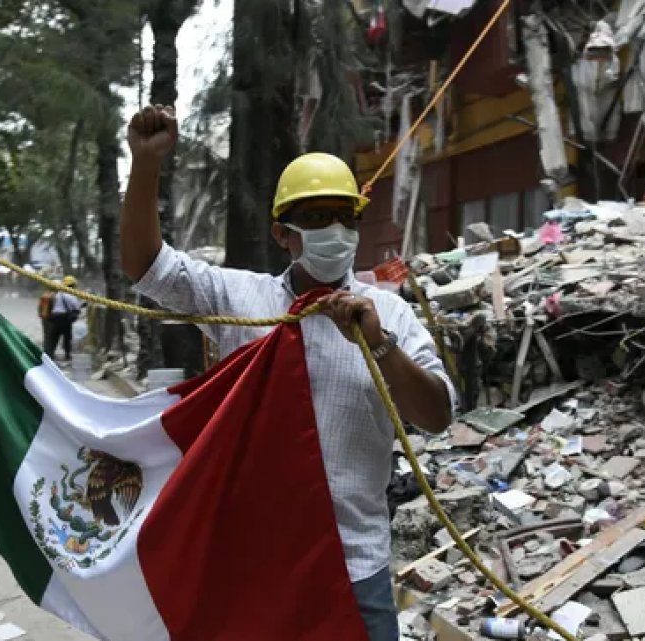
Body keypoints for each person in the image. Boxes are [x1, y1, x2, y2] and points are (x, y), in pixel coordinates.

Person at [121, 105, 457, 641]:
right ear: (283, 234)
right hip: (260, 571)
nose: (336, 231)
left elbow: (438, 415)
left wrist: (381, 345)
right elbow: (146, 264)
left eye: (345, 217)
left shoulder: (389, 313)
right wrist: (145, 165)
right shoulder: (243, 301)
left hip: (355, 570)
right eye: (317, 218)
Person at [44, 275, 81, 363]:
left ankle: (49, 355)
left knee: (53, 337)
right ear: (72, 285)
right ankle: (67, 354)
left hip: (54, 317)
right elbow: (76, 308)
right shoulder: (71, 296)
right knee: (67, 337)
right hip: (64, 318)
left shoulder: (58, 294)